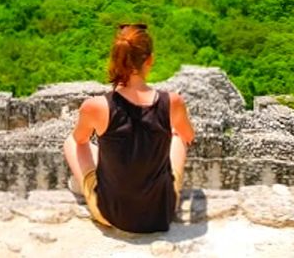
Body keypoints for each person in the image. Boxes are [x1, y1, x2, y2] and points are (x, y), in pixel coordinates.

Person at [62, 23, 195, 233]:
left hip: (112, 215)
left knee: (72, 142)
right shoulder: (173, 102)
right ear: (149, 60)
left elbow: (80, 140)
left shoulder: (95, 106)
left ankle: (85, 187)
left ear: (116, 59)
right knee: (178, 136)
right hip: (161, 214)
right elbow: (189, 136)